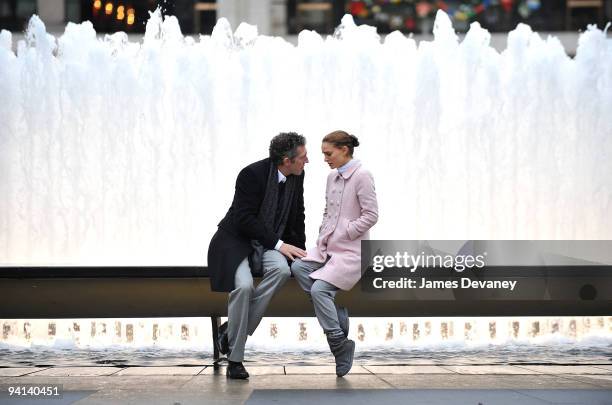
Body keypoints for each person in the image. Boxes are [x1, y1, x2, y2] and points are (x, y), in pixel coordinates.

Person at [208, 132, 308, 379]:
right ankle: (235, 360)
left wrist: (300, 250)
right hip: (236, 242)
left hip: (270, 244)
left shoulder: (297, 176)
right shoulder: (251, 174)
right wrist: (279, 243)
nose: (307, 161)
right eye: (303, 157)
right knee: (243, 287)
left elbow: (297, 214)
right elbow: (243, 218)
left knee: (283, 270)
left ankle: (229, 332)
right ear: (286, 160)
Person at [291, 130, 378, 377]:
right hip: (327, 249)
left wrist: (347, 231)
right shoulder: (332, 178)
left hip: (351, 251)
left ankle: (339, 345)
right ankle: (338, 317)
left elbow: (372, 215)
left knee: (319, 290)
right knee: (298, 267)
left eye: (328, 153)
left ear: (344, 150)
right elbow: (328, 212)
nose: (325, 158)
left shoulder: (362, 176)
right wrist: (323, 236)